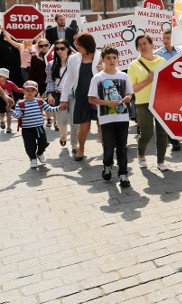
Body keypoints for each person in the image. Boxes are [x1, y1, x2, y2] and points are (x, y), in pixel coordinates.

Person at [87, 46, 134, 188]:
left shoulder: (124, 76)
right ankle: (107, 165)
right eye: (108, 58)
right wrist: (108, 103)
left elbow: (129, 94)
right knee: (108, 147)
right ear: (103, 59)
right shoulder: (98, 78)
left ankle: (123, 174)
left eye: (114, 57)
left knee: (122, 147)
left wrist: (126, 98)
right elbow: (91, 99)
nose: (112, 60)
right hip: (106, 119)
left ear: (118, 59)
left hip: (122, 118)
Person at [128, 34, 169, 171]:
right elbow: (131, 88)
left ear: (152, 45)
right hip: (143, 102)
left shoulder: (162, 61)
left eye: (145, 43)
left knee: (162, 132)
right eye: (139, 45)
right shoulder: (134, 65)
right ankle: (141, 155)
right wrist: (148, 81)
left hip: (161, 101)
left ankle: (161, 161)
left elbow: (169, 82)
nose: (142, 47)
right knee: (147, 133)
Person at [59, 33, 99, 161]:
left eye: (78, 45)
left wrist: (104, 68)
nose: (76, 47)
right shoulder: (73, 58)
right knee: (84, 126)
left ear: (87, 46)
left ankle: (107, 151)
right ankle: (81, 149)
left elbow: (114, 70)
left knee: (102, 126)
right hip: (81, 96)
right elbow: (69, 79)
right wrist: (63, 99)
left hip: (99, 97)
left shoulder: (101, 56)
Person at [11, 81, 61, 168]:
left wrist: (60, 108)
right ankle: (33, 159)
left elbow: (50, 109)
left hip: (39, 128)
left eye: (32, 90)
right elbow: (18, 115)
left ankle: (40, 153)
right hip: (27, 129)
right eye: (27, 90)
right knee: (30, 145)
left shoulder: (40, 102)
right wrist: (11, 111)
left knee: (43, 142)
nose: (30, 92)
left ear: (36, 92)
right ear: (23, 91)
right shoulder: (20, 103)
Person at [45, 39, 74, 148]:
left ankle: (74, 145)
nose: (59, 51)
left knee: (74, 121)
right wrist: (49, 94)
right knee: (61, 122)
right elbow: (50, 80)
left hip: (73, 94)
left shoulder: (73, 62)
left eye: (62, 48)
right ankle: (63, 135)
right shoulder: (51, 64)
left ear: (68, 49)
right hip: (59, 95)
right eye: (57, 49)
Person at [0, 67, 23, 133]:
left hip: (9, 98)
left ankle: (9, 127)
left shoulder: (10, 83)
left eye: (1, 75)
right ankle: (2, 121)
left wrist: (25, 90)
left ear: (5, 77)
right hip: (0, 99)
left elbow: (17, 89)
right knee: (1, 114)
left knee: (9, 113)